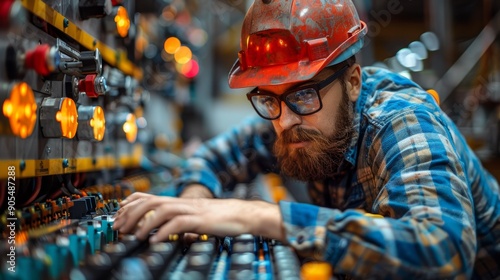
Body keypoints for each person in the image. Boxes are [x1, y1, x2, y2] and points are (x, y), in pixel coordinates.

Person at [113, 0, 500, 278]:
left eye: (302, 94)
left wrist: (262, 216)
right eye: (268, 98)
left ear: (352, 82)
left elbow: (442, 251)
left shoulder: (401, 122)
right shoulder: (294, 117)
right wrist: (195, 202)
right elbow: (216, 157)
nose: (284, 121)